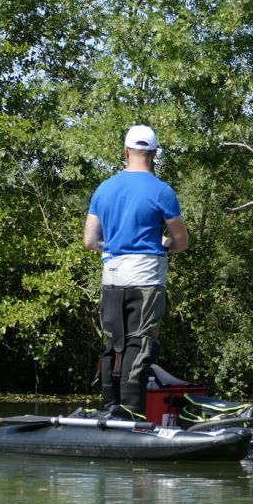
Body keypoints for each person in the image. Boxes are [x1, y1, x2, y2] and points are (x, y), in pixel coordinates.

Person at [84, 124, 189, 419]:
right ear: (154, 153)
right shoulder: (162, 191)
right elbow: (181, 242)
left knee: (113, 342)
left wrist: (115, 244)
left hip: (112, 277)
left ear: (126, 151)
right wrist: (165, 244)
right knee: (139, 342)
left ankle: (110, 408)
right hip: (146, 278)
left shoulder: (104, 189)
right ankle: (132, 414)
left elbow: (90, 241)